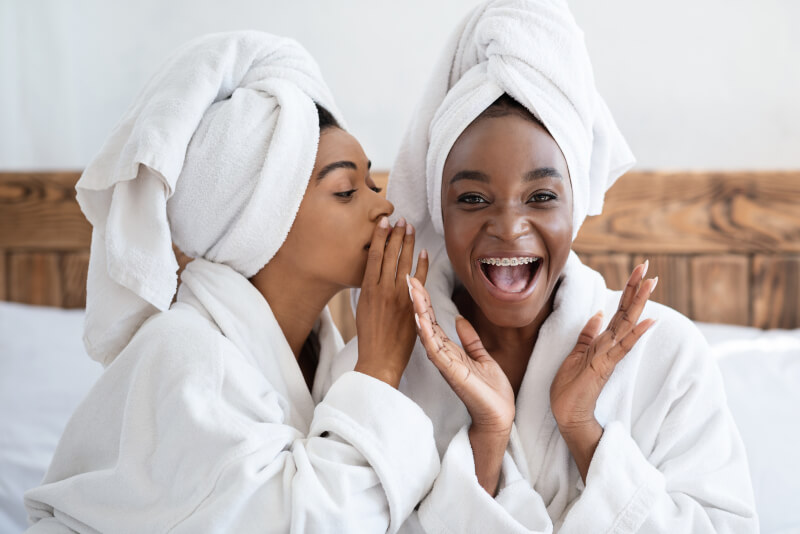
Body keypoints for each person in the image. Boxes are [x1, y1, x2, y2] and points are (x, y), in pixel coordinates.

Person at [343, 1, 759, 531]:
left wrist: (585, 433)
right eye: (472, 199)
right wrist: (486, 442)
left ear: (576, 201)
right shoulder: (383, 367)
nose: (510, 227)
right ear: (438, 209)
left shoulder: (668, 355)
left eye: (540, 195)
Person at [24, 31, 438, 533]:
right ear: (262, 221)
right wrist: (380, 368)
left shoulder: (322, 359)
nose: (384, 205)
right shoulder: (185, 354)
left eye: (372, 183)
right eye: (347, 190)